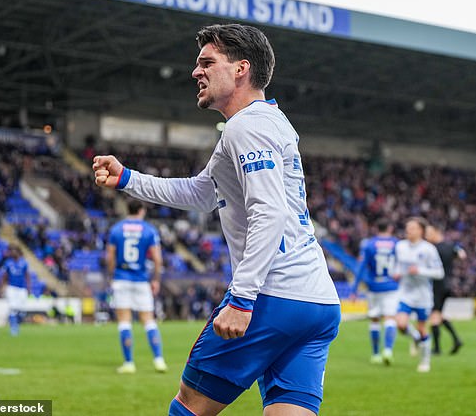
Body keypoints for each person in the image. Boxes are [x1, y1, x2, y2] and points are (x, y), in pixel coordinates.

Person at [93, 24, 340, 416]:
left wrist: (242, 299)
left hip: (272, 297)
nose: (196, 72)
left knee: (189, 406)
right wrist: (128, 179)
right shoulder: (268, 122)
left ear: (241, 69)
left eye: (207, 63)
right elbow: (202, 193)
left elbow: (269, 212)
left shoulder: (247, 125)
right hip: (317, 300)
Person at [106, 199, 167, 374]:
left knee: (124, 322)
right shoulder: (149, 230)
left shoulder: (116, 229)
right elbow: (157, 259)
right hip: (141, 280)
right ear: (141, 210)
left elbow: (110, 257)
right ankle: (158, 360)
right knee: (149, 320)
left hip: (121, 278)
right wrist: (155, 280)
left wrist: (112, 276)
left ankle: (129, 363)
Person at [394, 217, 444, 372]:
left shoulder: (429, 249)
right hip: (405, 293)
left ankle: (425, 361)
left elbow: (439, 273)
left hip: (423, 295)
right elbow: (397, 266)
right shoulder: (400, 246)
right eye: (407, 228)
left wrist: (420, 271)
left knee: (422, 328)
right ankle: (415, 337)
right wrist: (396, 272)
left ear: (421, 231)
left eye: (412, 228)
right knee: (401, 324)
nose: (408, 230)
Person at [350, 218, 399, 365]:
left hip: (374, 286)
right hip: (391, 286)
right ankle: (388, 350)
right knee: (390, 318)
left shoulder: (369, 244)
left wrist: (354, 289)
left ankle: (376, 354)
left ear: (376, 228)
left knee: (375, 319)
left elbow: (361, 267)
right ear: (390, 228)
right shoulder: (397, 244)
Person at [425, 224, 465, 355]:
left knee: (434, 315)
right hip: (448, 284)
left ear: (437, 232)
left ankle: (437, 348)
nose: (427, 235)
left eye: (429, 232)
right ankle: (456, 339)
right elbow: (462, 255)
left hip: (437, 285)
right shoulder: (451, 246)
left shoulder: (432, 249)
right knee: (438, 314)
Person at [1, 245, 30, 336]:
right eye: (11, 251)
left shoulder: (24, 263)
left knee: (21, 310)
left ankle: (16, 323)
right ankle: (14, 328)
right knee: (12, 308)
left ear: (18, 252)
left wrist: (29, 287)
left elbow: (27, 275)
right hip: (12, 288)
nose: (13, 253)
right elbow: (5, 276)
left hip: (22, 288)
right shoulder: (8, 263)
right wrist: (3, 286)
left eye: (14, 251)